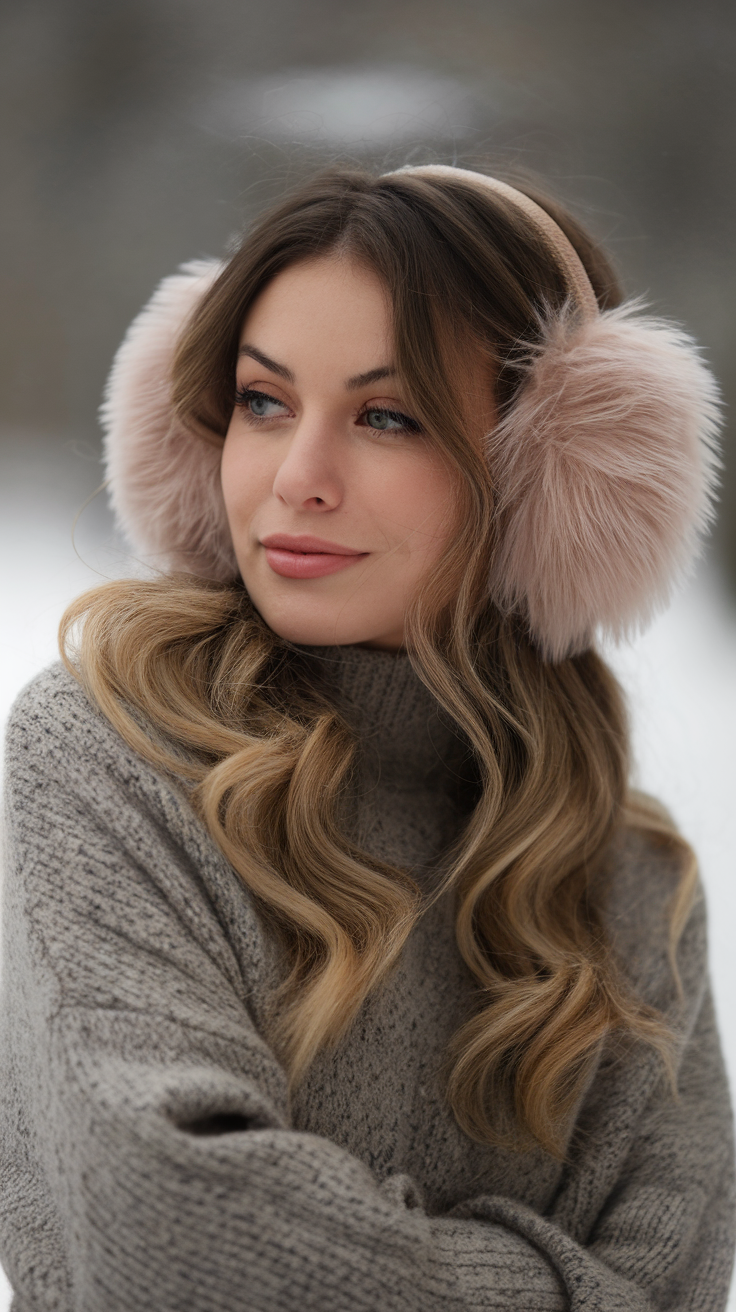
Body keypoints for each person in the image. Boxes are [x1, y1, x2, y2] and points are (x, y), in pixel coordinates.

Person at [1, 163, 733, 1311]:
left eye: (387, 418)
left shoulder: (626, 880)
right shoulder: (107, 760)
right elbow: (176, 1239)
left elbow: (683, 1282)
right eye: (261, 401)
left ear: (552, 477)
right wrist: (557, 1280)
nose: (296, 478)